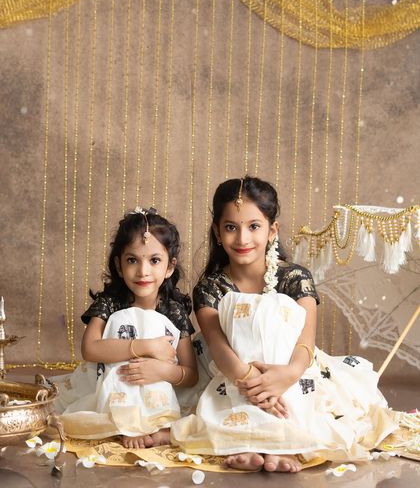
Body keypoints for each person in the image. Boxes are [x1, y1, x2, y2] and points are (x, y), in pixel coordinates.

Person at [171, 176, 398, 472]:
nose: (242, 239)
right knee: (226, 399)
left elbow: (305, 341)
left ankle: (284, 446)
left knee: (305, 394)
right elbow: (216, 343)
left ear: (272, 230)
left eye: (254, 226)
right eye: (231, 227)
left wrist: (286, 375)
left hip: (292, 366)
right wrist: (254, 382)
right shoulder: (210, 287)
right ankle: (250, 443)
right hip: (231, 368)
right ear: (217, 231)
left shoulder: (294, 278)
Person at [53, 208, 198, 449]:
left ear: (170, 267)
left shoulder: (174, 311)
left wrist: (161, 371)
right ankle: (126, 422)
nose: (143, 271)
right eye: (133, 260)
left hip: (157, 386)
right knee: (125, 321)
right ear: (119, 266)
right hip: (112, 380)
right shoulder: (111, 302)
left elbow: (190, 374)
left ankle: (157, 422)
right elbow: (90, 350)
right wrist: (145, 346)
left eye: (154, 260)